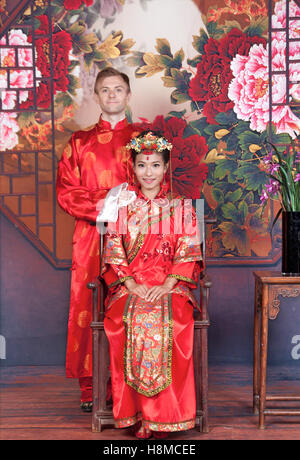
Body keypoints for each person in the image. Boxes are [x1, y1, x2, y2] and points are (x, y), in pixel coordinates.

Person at [102, 131, 204, 438]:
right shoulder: (122, 208)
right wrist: (131, 285)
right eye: (143, 165)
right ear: (133, 167)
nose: (149, 173)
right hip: (129, 287)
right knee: (125, 320)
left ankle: (166, 415)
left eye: (156, 165)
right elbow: (113, 251)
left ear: (166, 168)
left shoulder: (181, 208)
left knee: (173, 321)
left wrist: (169, 283)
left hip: (170, 287)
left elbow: (189, 251)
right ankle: (136, 413)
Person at [56, 67, 140, 411]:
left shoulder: (144, 139)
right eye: (105, 90)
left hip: (136, 235)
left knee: (131, 306)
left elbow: (159, 186)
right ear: (96, 95)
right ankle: (91, 388)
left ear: (128, 94)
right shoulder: (79, 142)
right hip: (91, 235)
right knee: (89, 307)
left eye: (118, 89)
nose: (111, 95)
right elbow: (66, 192)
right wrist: (104, 203)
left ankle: (133, 385)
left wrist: (131, 203)